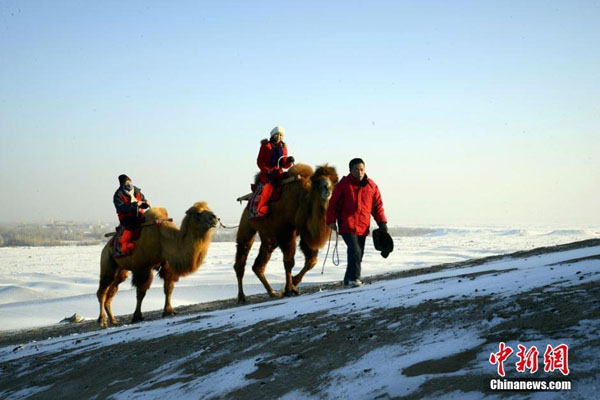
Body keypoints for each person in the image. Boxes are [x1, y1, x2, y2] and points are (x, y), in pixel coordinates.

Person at [326, 158, 387, 287]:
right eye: (356, 169)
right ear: (350, 170)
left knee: (358, 255)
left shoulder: (371, 186)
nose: (359, 172)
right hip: (347, 224)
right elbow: (333, 204)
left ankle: (348, 280)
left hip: (363, 226)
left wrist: (382, 223)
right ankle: (355, 279)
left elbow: (377, 207)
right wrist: (331, 221)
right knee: (355, 251)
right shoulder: (343, 185)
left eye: (361, 169)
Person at [254, 126, 295, 217]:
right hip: (268, 174)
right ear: (273, 135)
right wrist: (267, 171)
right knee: (267, 190)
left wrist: (289, 161)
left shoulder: (283, 147)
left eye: (281, 135)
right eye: (277, 134)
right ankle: (261, 211)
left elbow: (284, 164)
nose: (279, 137)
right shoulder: (265, 146)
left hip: (279, 173)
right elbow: (260, 162)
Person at [113, 174, 150, 253]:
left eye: (130, 182)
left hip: (139, 214)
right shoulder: (118, 195)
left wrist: (146, 203)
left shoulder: (137, 192)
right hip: (126, 217)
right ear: (122, 184)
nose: (129, 184)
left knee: (150, 221)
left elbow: (143, 201)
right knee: (131, 224)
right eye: (126, 183)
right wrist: (135, 205)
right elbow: (121, 208)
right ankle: (124, 245)